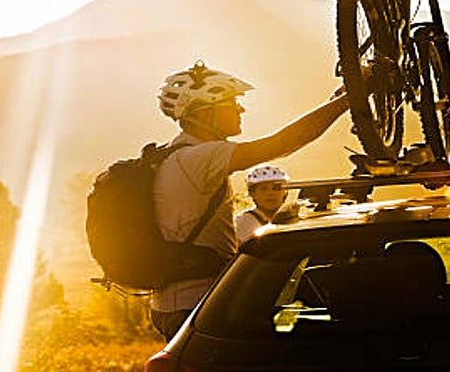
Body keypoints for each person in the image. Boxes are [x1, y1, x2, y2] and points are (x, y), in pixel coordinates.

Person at [149, 60, 349, 341]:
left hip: (179, 301)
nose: (241, 109)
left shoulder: (178, 155)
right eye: (231, 102)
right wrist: (348, 100)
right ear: (206, 114)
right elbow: (284, 143)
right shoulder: (201, 157)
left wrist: (337, 99)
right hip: (193, 302)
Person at [235, 165, 292, 242]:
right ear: (252, 194)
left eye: (277, 188)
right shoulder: (242, 223)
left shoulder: (296, 218)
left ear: (285, 193)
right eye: (263, 189)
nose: (271, 193)